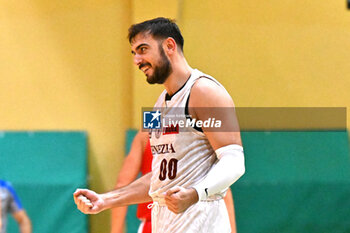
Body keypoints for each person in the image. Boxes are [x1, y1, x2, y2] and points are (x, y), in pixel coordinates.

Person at [74, 17, 245, 233]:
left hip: (201, 223)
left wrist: (194, 193)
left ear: (170, 46)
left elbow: (234, 160)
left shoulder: (205, 92)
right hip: (163, 224)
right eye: (134, 53)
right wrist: (106, 200)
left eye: (143, 49)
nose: (137, 60)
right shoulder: (159, 106)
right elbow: (159, 179)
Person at [110, 131, 238, 233]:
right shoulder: (203, 131)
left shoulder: (148, 130)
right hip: (200, 221)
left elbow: (122, 184)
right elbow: (221, 186)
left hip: (157, 223)